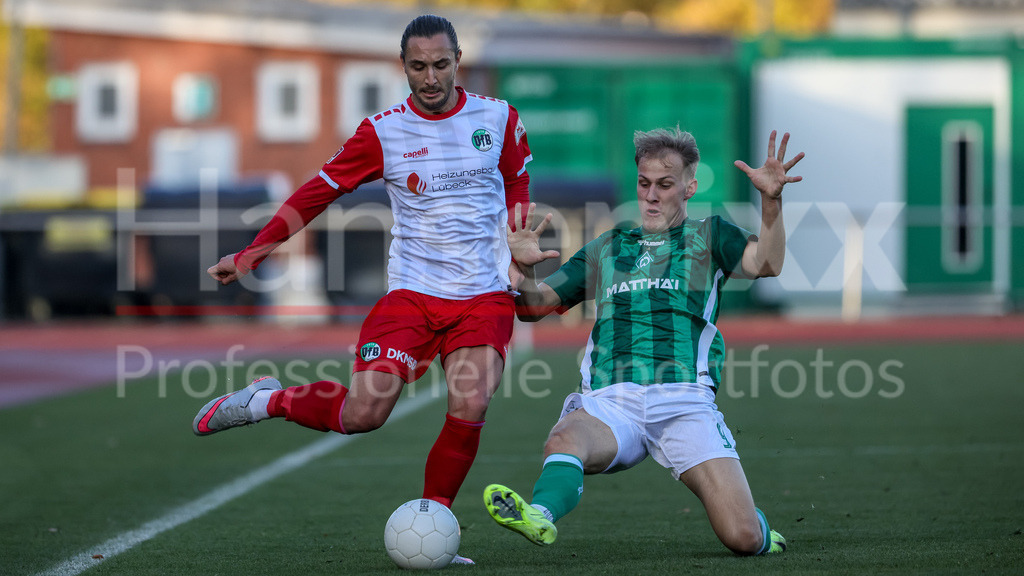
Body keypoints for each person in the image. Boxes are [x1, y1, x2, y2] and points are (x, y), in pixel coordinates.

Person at [192, 15, 532, 563]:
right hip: (413, 294)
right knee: (364, 415)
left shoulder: (498, 118)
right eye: (418, 66)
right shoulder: (383, 131)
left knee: (470, 399)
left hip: (483, 295)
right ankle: (268, 400)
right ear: (403, 67)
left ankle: (434, 524)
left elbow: (516, 176)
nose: (430, 77)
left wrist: (517, 234)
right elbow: (315, 193)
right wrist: (254, 250)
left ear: (457, 61)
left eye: (440, 64)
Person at [483, 127, 804, 556]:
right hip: (611, 401)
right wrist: (525, 270)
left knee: (743, 538)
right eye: (644, 183)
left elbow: (768, 262)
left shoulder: (711, 237)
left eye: (665, 184)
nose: (651, 195)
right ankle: (539, 514)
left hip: (685, 400)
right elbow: (534, 307)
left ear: (689, 187)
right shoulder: (608, 247)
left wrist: (771, 200)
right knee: (564, 439)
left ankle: (758, 524)